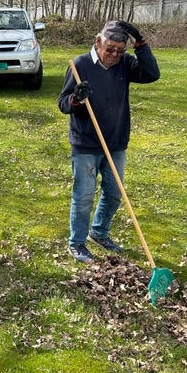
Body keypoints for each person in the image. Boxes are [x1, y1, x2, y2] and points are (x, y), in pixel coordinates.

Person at [57, 21, 160, 263]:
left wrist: (140, 43)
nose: (114, 55)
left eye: (120, 50)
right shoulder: (80, 65)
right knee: (83, 196)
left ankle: (99, 232)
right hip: (86, 144)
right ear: (98, 42)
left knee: (114, 193)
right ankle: (77, 242)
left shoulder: (125, 63)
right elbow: (63, 103)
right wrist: (76, 99)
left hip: (115, 142)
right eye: (110, 48)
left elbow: (151, 74)